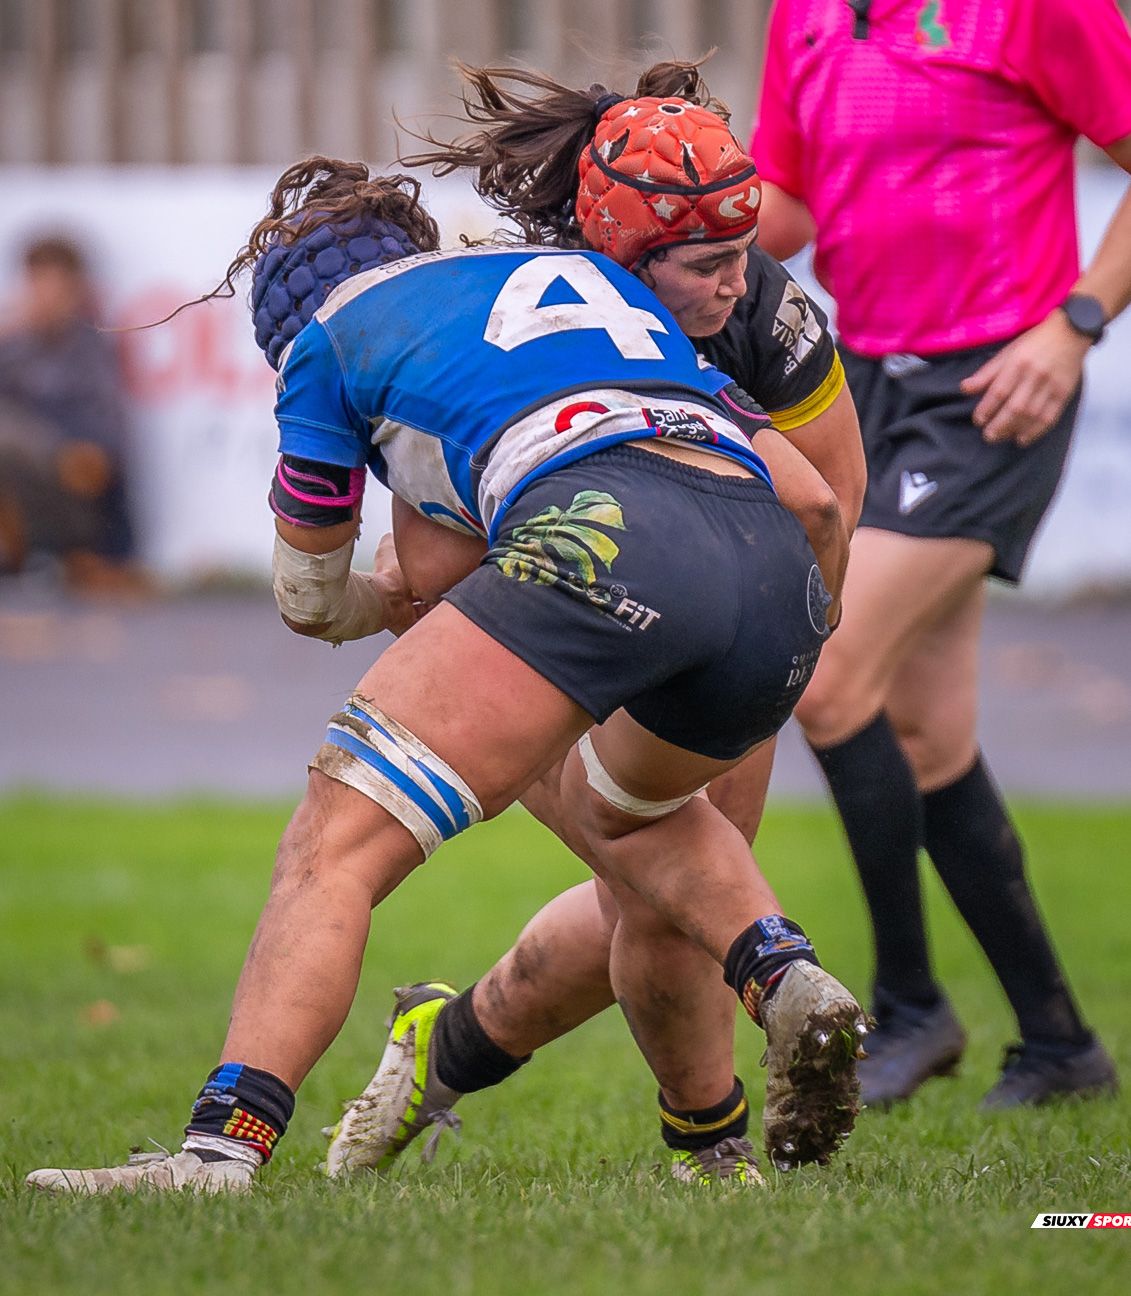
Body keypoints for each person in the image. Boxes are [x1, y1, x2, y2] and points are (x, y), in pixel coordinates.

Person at [27, 153, 866, 1197]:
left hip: (606, 533)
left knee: (338, 834)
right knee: (635, 818)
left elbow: (315, 597)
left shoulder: (330, 340)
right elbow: (817, 498)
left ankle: (217, 1151)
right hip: (773, 570)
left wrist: (387, 607)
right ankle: (784, 980)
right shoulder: (584, 278)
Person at [749, 0, 1131, 1108]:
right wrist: (650, 220)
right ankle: (1060, 1044)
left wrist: (1073, 328)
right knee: (927, 732)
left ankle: (908, 1009)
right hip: (860, 396)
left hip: (994, 391)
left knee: (826, 675)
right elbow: (786, 206)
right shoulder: (806, 0)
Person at [325, 57, 867, 1184]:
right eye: (706, 265)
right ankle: (709, 1154)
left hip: (731, 605)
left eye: (741, 257)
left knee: (668, 893)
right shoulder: (521, 305)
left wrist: (780, 647)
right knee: (669, 886)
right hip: (553, 612)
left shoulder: (766, 305)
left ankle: (445, 1047)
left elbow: (834, 492)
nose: (734, 284)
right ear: (618, 258)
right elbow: (427, 563)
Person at [0, 235, 142, 591]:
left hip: (77, 489)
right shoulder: (15, 345)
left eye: (55, 287)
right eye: (37, 284)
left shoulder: (91, 349)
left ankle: (66, 555)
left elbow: (106, 445)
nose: (45, 297)